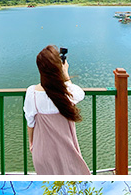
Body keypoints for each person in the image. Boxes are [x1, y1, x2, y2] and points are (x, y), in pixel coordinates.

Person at [23, 45, 90, 175]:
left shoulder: (32, 93)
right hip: (67, 153)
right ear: (58, 66)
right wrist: (65, 74)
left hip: (42, 153)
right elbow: (80, 94)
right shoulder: (66, 93)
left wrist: (31, 143)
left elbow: (30, 124)